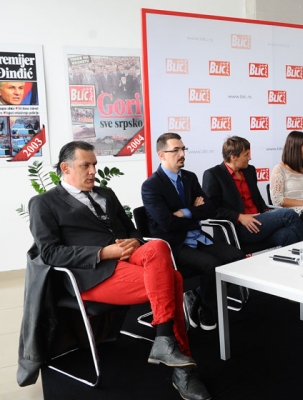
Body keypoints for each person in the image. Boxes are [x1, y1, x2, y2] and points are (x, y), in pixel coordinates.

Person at [25, 141, 210, 399]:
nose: (93, 171)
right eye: (85, 165)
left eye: (94, 165)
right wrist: (103, 252)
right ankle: (181, 367)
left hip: (127, 257)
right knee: (174, 279)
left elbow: (130, 228)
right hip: (93, 272)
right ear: (65, 168)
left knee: (157, 247)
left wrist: (134, 241)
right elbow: (49, 253)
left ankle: (165, 342)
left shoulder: (106, 193)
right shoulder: (44, 203)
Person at [142, 132, 245, 332]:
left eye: (183, 149)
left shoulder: (190, 177)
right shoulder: (151, 186)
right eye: (176, 150)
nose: (182, 154)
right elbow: (167, 224)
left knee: (237, 258)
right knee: (212, 265)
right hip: (175, 244)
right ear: (161, 155)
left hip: (198, 237)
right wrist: (195, 213)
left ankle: (197, 296)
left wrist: (185, 212)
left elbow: (209, 209)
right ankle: (207, 308)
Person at [202, 135, 303, 249]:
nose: (250, 158)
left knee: (288, 234)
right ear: (234, 157)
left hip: (259, 222)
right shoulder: (213, 175)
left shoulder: (249, 170)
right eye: (246, 155)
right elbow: (211, 209)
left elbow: (257, 199)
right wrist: (239, 217)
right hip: (237, 228)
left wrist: (267, 212)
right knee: (288, 214)